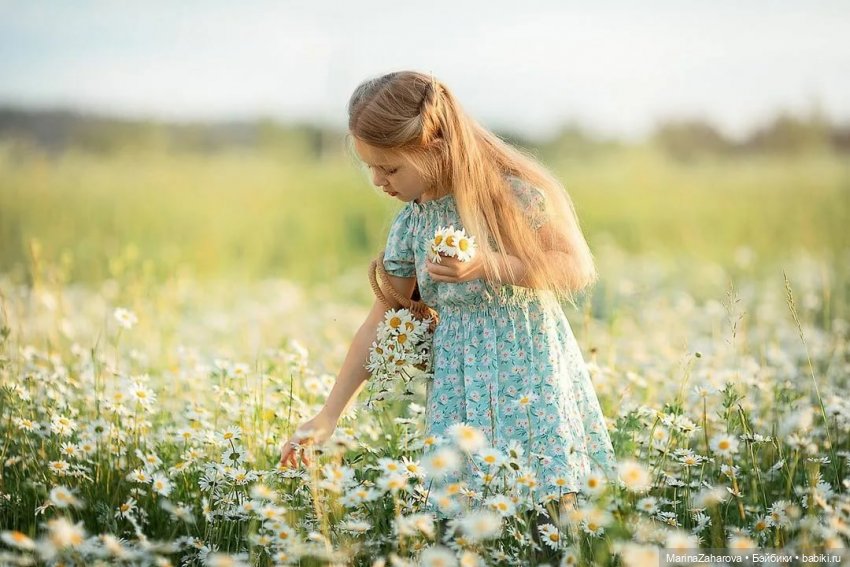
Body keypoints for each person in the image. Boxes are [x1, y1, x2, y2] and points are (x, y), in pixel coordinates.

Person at [279, 70, 617, 521]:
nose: (379, 181)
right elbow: (382, 320)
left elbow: (573, 269)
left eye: (391, 167)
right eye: (371, 168)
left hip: (530, 379)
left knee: (544, 508)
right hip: (461, 387)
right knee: (464, 514)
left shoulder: (511, 196)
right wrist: (329, 413)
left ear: (435, 147)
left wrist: (489, 265)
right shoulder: (412, 224)